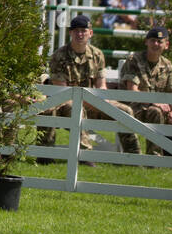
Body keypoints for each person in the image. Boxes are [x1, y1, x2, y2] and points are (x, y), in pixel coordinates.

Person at [37, 15, 140, 161]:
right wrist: (94, 102)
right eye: (76, 31)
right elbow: (63, 93)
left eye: (84, 31)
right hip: (65, 105)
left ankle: (135, 158)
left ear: (90, 33)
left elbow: (101, 86)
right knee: (75, 107)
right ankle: (85, 156)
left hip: (94, 103)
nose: (80, 34)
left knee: (125, 111)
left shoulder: (97, 55)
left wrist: (104, 102)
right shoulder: (59, 56)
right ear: (70, 33)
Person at [122, 26, 172, 156]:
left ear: (166, 45)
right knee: (155, 112)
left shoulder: (167, 65)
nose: (156, 44)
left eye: (160, 41)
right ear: (146, 42)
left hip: (163, 108)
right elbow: (132, 91)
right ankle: (155, 157)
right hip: (137, 108)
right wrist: (155, 103)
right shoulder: (134, 60)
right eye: (152, 40)